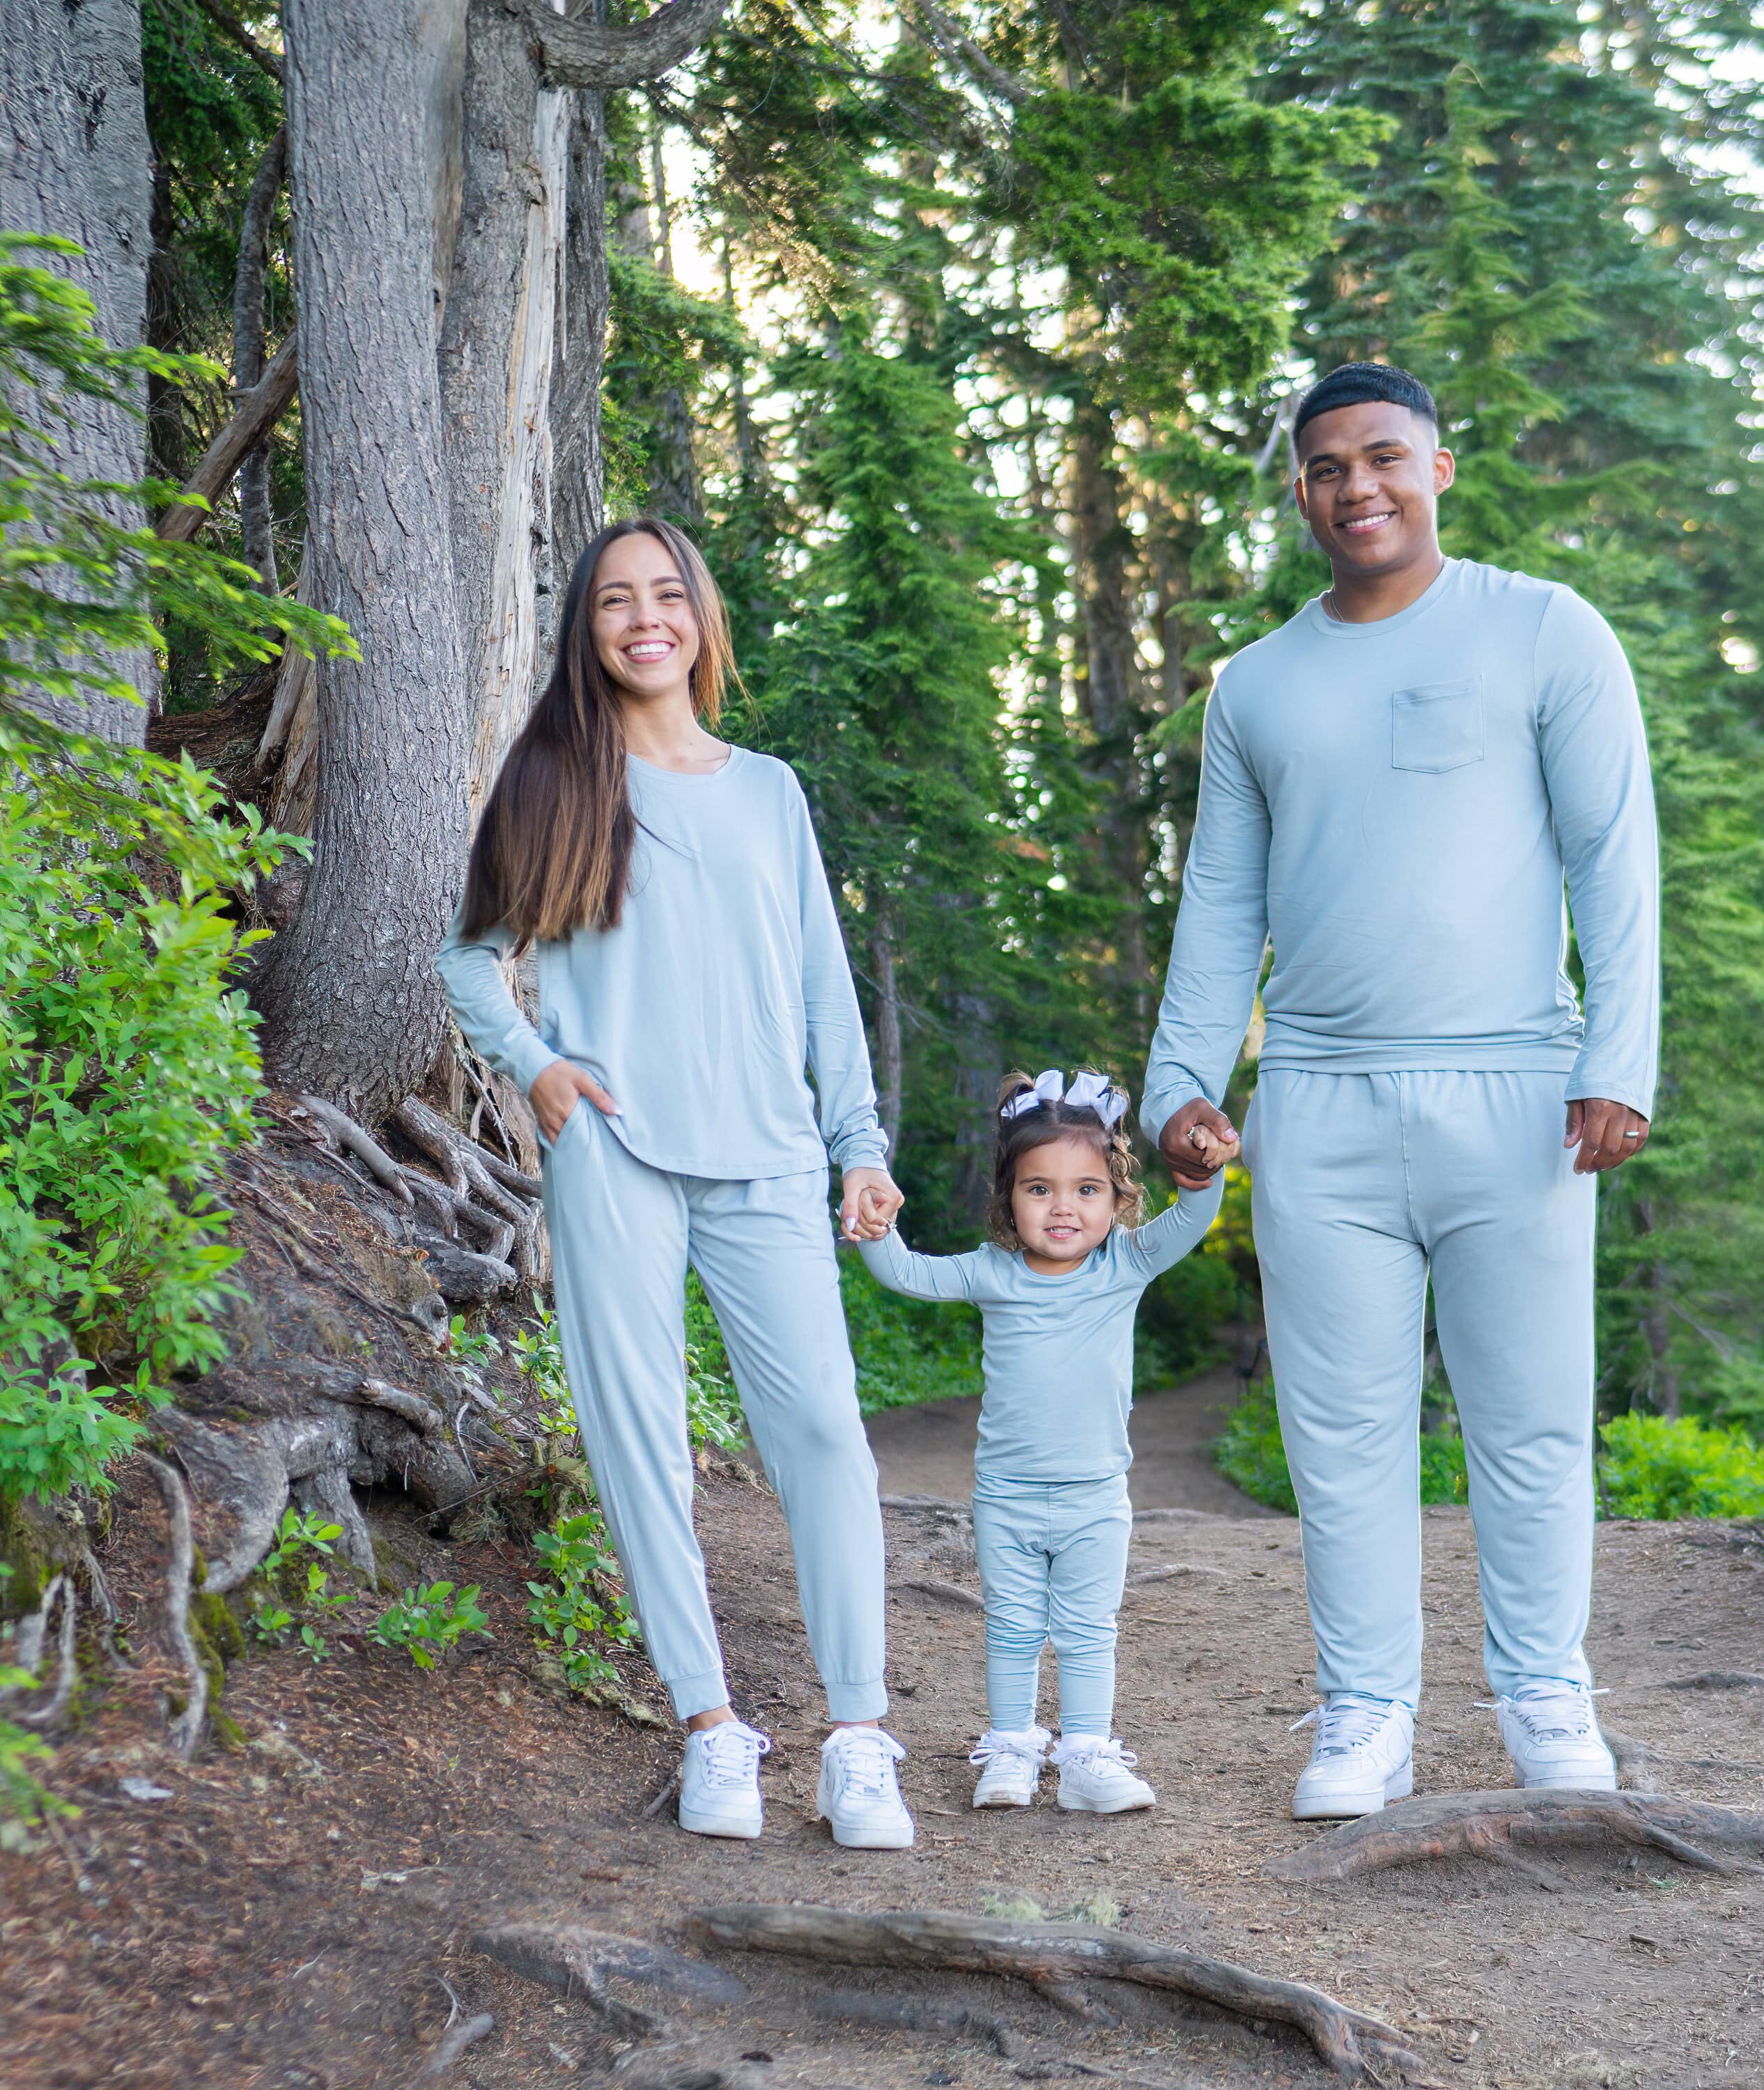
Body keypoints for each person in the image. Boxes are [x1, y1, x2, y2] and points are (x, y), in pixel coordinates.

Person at [1141, 363, 1659, 1817]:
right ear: (1300, 491)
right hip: (1318, 1101)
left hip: (1521, 1091)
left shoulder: (1546, 632)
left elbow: (1614, 859)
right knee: (1343, 1427)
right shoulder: (1257, 686)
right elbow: (1218, 909)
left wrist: (1619, 1059)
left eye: (1383, 458)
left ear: (1439, 467)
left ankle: (1547, 1697)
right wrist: (1180, 1084)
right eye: (1326, 468)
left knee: (1533, 1416)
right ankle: (1365, 1716)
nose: (1356, 486)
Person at [436, 518, 915, 1851]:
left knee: (824, 1429)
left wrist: (859, 1143)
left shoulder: (769, 790)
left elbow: (823, 981)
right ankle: (711, 1727)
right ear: (587, 632)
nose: (643, 619)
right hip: (616, 1151)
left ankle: (860, 1735)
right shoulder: (551, 779)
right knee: (638, 1437)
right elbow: (469, 957)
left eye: (666, 597)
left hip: (767, 1151)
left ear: (700, 617)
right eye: (613, 604)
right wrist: (533, 1065)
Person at [854, 1069, 1233, 1814]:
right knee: (1014, 1627)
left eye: (1087, 1189)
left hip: (1097, 1496)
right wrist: (874, 1227)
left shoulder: (1125, 1264)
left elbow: (1192, 1220)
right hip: (1008, 1497)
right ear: (1009, 1198)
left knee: (1091, 1630)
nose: (1064, 1206)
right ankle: (1012, 1751)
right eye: (1040, 1189)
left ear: (1117, 1198)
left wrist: (1204, 1170)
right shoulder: (994, 1274)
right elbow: (906, 1273)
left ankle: (1088, 1757)